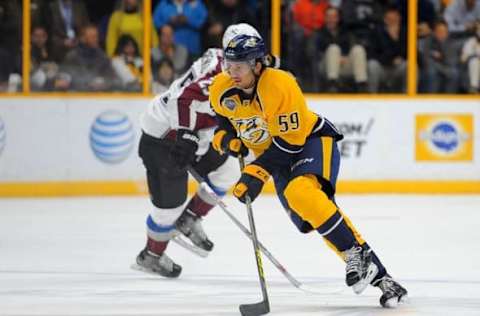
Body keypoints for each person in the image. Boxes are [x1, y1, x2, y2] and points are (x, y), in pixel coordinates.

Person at [209, 33, 408, 308]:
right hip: (275, 157)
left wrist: (256, 173)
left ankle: (356, 254)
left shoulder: (280, 85)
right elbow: (225, 123)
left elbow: (289, 143)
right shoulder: (220, 88)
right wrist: (226, 140)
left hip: (309, 141)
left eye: (239, 66)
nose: (232, 72)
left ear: (257, 64)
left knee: (300, 191)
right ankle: (380, 277)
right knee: (313, 211)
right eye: (229, 65)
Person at [134, 23, 278, 278]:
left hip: (197, 134)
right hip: (164, 135)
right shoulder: (219, 75)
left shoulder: (237, 62)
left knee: (230, 170)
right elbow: (182, 98)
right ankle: (151, 255)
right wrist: (186, 136)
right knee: (169, 207)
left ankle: (190, 219)